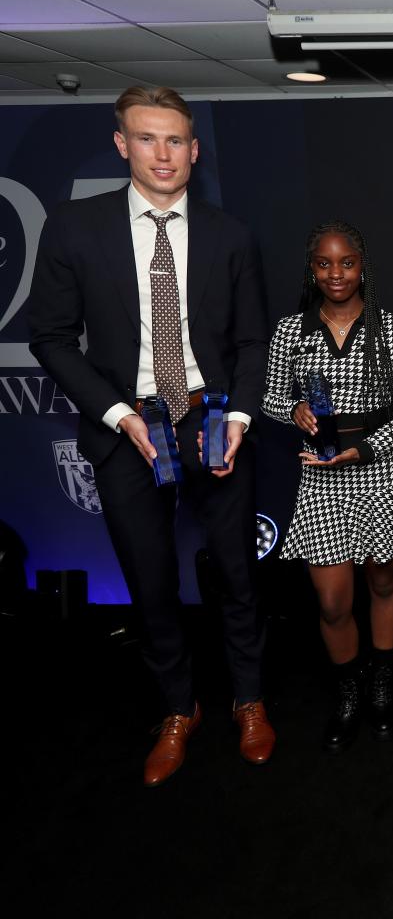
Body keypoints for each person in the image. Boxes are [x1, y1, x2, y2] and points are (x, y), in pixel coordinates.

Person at [28, 86, 275, 785]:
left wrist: (236, 420)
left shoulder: (231, 235)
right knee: (149, 577)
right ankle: (177, 707)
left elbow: (253, 341)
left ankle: (249, 699)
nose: (163, 155)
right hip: (124, 423)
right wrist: (118, 415)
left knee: (236, 573)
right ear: (121, 144)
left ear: (195, 151)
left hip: (210, 417)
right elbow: (49, 336)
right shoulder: (74, 228)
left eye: (175, 141)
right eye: (147, 139)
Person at [261, 221, 393, 752]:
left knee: (383, 584)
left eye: (347, 262)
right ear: (312, 270)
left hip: (378, 472)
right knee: (332, 601)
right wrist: (295, 408)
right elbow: (269, 399)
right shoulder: (292, 330)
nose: (337, 273)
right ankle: (348, 688)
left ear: (363, 266)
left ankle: (381, 684)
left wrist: (371, 447)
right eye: (325, 264)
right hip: (321, 480)